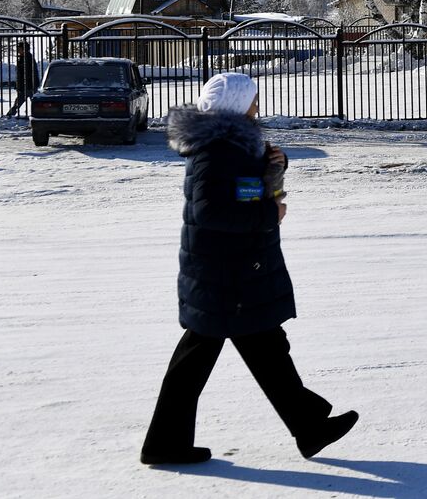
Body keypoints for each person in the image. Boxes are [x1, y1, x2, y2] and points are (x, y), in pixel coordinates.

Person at [141, 73, 357, 466]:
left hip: (231, 267)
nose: (258, 106)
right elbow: (211, 209)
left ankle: (307, 426)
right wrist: (267, 213)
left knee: (258, 348)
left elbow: (244, 180)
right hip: (228, 271)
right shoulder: (217, 150)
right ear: (238, 106)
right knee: (245, 349)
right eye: (254, 100)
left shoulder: (230, 143)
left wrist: (277, 163)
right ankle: (306, 426)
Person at [6, 40, 39, 117]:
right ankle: (10, 114)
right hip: (26, 85)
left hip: (29, 85)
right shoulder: (22, 58)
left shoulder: (28, 58)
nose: (18, 50)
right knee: (22, 102)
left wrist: (21, 84)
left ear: (24, 49)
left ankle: (38, 115)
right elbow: (20, 74)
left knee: (33, 102)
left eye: (19, 48)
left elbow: (27, 73)